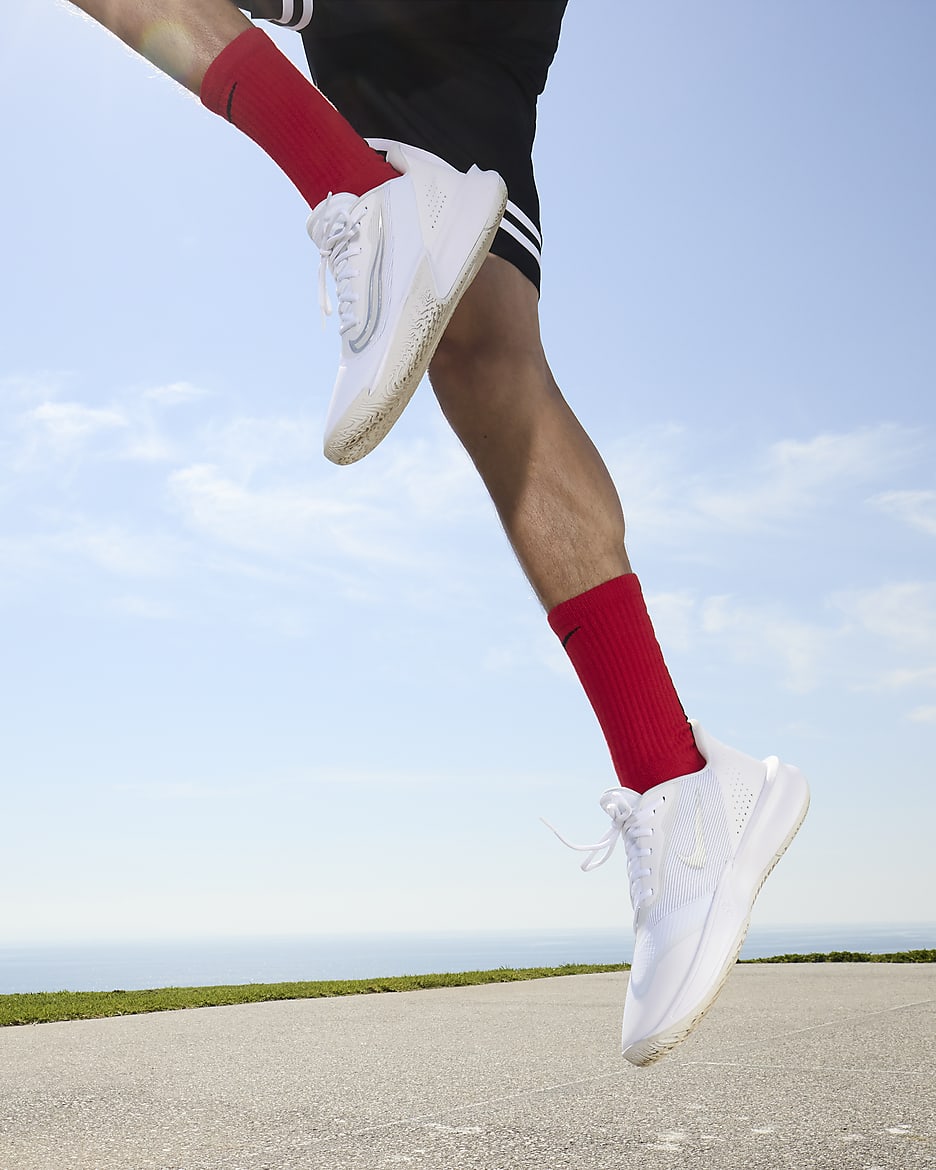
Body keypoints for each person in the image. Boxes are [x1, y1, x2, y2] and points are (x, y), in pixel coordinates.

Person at [65, 0, 809, 1066]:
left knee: (458, 318)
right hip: (428, 51)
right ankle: (679, 786)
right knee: (481, 358)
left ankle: (354, 189)